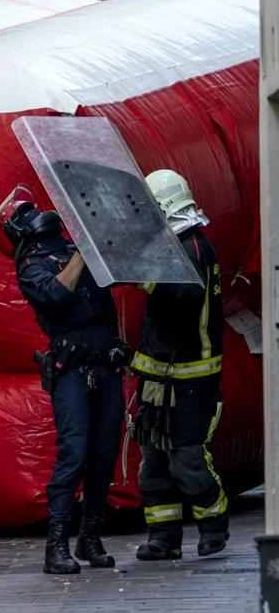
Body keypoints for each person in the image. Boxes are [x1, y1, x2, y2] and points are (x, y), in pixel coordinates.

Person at [0, 185, 127, 574]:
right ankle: (56, 547)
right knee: (74, 453)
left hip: (105, 363)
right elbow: (56, 294)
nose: (36, 213)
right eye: (25, 211)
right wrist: (84, 250)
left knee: (103, 454)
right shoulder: (31, 267)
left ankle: (90, 539)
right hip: (74, 371)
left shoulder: (70, 249)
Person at [131, 170, 228, 560]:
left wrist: (140, 270)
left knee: (187, 458)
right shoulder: (176, 247)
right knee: (153, 457)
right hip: (159, 376)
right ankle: (164, 538)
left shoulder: (191, 251)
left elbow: (179, 300)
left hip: (191, 380)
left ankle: (214, 526)